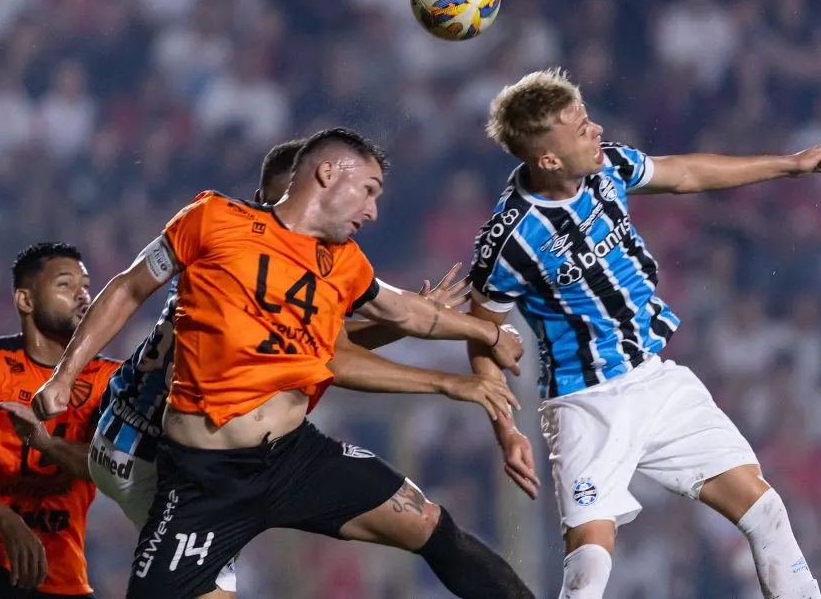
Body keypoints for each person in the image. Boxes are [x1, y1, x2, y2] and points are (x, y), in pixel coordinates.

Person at [33, 127, 535, 599]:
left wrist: (488, 330)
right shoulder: (213, 222)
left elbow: (401, 309)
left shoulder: (342, 262)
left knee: (428, 523)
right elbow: (128, 285)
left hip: (294, 457)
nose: (374, 211)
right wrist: (65, 375)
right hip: (203, 476)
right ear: (328, 174)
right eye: (369, 190)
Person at [467, 68, 821, 599]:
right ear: (548, 159)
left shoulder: (607, 167)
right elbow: (480, 330)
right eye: (581, 129)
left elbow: (687, 173)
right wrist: (505, 429)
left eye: (588, 119)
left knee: (765, 511)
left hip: (655, 379)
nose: (596, 130)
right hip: (585, 402)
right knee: (588, 572)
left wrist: (789, 166)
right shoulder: (510, 239)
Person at [0, 243, 119, 598]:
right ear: (25, 301)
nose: (83, 295)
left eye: (86, 285)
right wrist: (5, 521)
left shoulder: (110, 379)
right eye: (65, 284)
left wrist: (46, 443)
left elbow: (106, 470)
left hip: (64, 576)